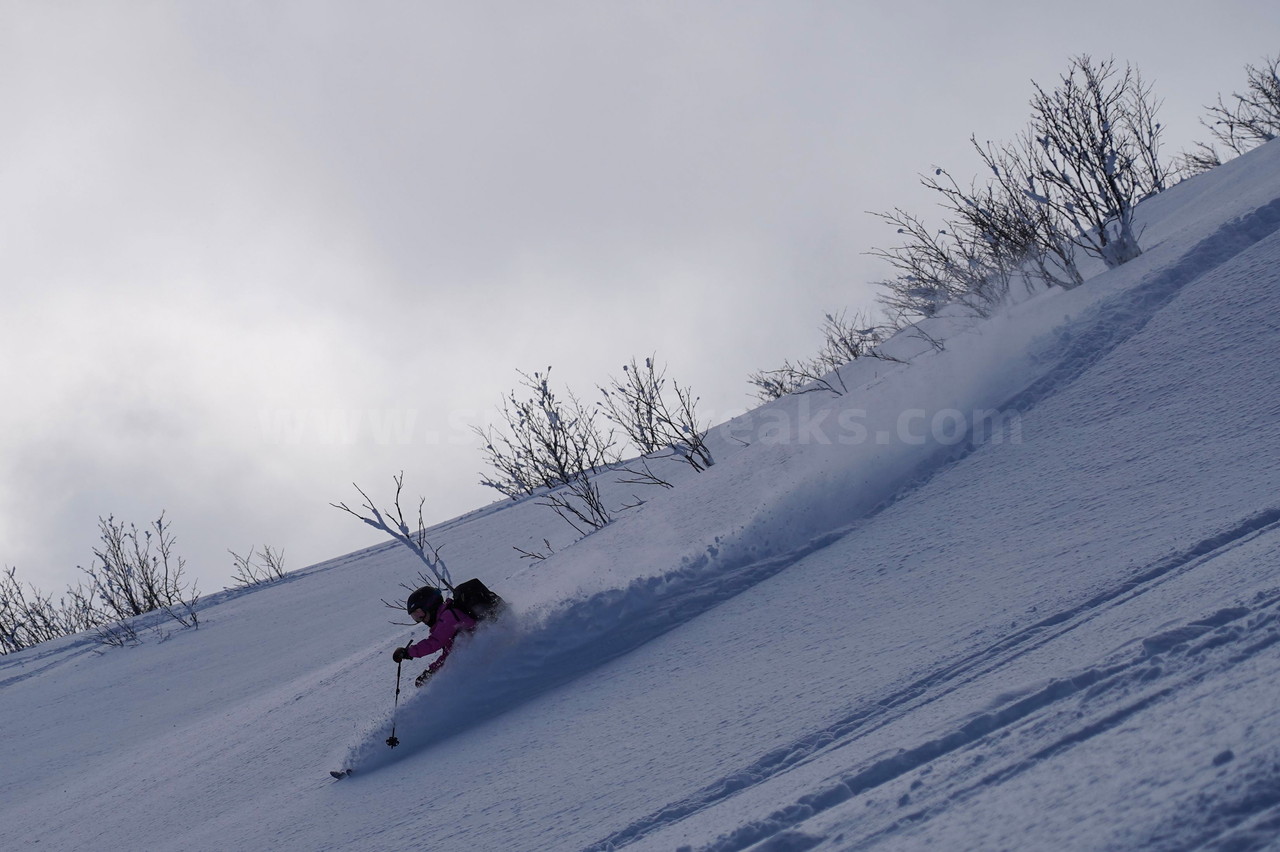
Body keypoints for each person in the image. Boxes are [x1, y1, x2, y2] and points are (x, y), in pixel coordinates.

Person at [391, 585, 477, 686]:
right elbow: (450, 655)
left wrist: (409, 652)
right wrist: (432, 672)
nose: (420, 619)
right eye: (415, 617)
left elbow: (434, 643)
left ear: (430, 605)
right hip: (476, 655)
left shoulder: (448, 616)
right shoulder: (446, 621)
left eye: (419, 613)